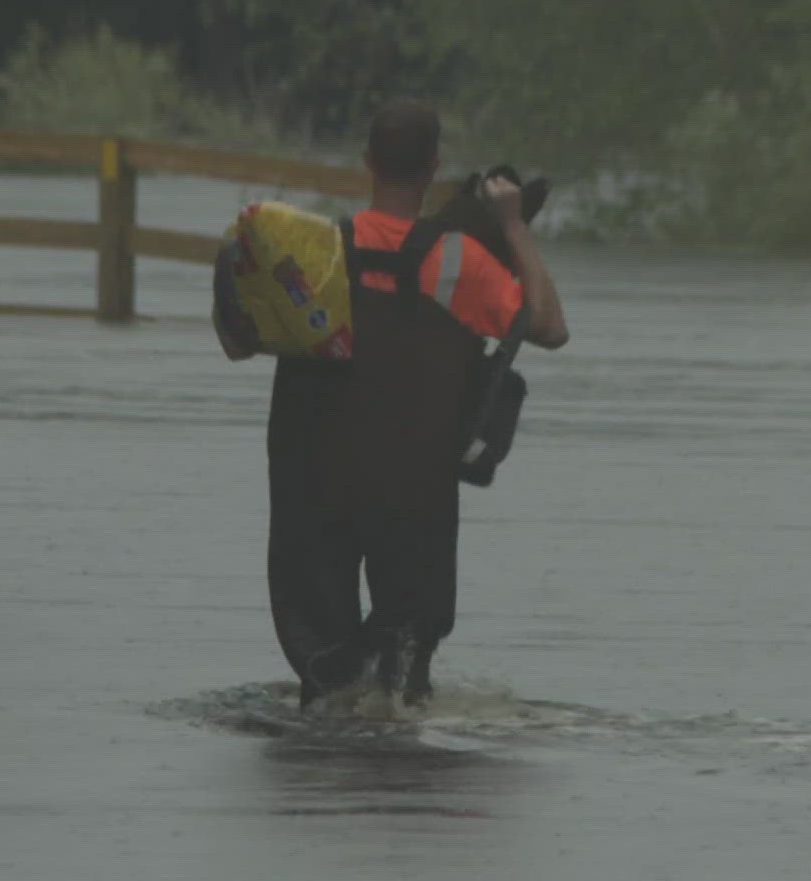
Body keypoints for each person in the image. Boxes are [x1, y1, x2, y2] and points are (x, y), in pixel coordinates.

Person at [215, 100, 568, 708]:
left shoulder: (312, 257)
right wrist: (513, 226)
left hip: (316, 481)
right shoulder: (459, 262)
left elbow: (235, 343)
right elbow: (550, 326)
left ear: (367, 161)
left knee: (327, 681)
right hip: (414, 489)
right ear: (434, 166)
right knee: (404, 669)